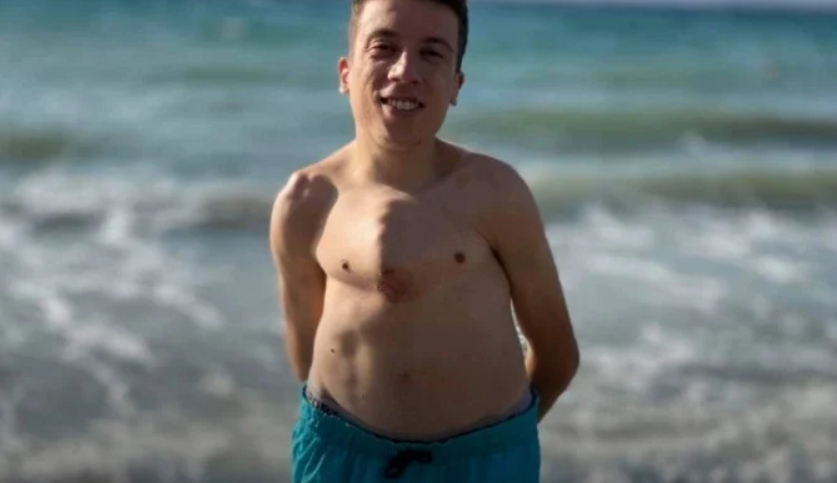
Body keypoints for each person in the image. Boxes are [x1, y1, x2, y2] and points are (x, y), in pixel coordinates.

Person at [269, 0, 580, 481]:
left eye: (432, 53)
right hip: (340, 457)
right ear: (346, 73)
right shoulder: (304, 201)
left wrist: (502, 445)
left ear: (456, 85)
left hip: (482, 462)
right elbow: (304, 356)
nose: (405, 71)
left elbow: (557, 353)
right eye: (383, 47)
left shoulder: (493, 192)